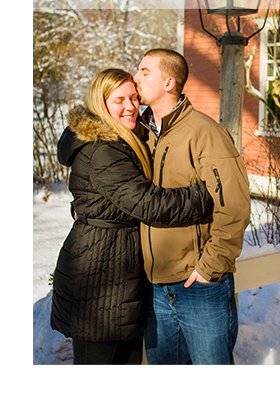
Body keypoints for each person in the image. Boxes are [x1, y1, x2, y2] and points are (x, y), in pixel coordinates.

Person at [50, 68, 214, 365]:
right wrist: (206, 195)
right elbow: (150, 204)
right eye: (119, 100)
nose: (130, 107)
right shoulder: (103, 150)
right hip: (98, 276)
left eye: (134, 98)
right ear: (100, 104)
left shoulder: (123, 138)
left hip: (115, 263)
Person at [134, 49, 252, 365]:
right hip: (155, 287)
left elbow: (234, 207)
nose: (136, 79)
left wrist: (208, 268)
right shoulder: (140, 135)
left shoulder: (204, 133)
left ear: (169, 81)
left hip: (199, 287)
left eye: (145, 72)